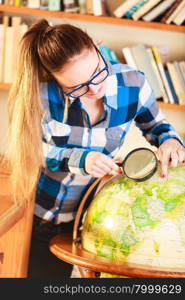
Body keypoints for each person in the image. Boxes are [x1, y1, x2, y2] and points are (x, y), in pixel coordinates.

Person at [4, 19, 185, 278]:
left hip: (91, 221)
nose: (95, 89)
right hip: (40, 217)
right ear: (55, 80)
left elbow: (158, 126)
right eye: (77, 88)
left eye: (98, 72)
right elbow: (32, 151)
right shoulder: (43, 94)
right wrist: (81, 159)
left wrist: (170, 141)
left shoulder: (133, 84)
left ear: (97, 47)